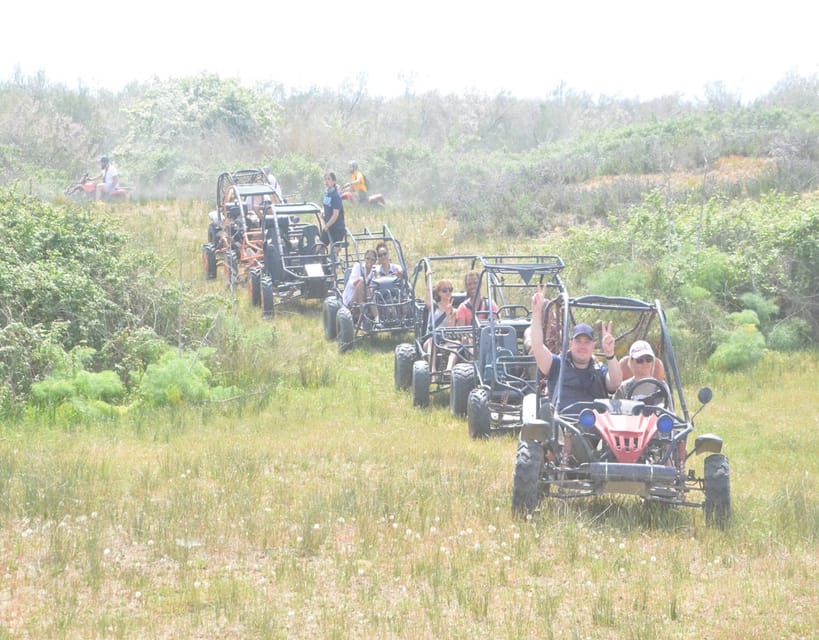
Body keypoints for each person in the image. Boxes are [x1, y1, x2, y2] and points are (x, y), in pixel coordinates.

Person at [529, 284, 622, 411]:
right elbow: (538, 347)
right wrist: (536, 313)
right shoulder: (557, 365)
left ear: (593, 345)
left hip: (596, 425)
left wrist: (610, 354)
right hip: (563, 425)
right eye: (578, 341)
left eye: (587, 342)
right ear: (571, 343)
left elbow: (615, 384)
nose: (582, 346)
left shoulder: (599, 369)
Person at [614, 340, 670, 404]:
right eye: (640, 360)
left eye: (649, 359)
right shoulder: (623, 388)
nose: (645, 363)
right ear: (631, 362)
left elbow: (669, 412)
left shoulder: (662, 387)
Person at [424, 278, 457, 371]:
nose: (448, 292)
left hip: (445, 340)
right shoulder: (433, 306)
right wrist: (428, 277)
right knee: (432, 341)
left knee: (457, 344)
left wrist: (449, 315)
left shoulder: (454, 311)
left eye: (450, 290)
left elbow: (452, 331)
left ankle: (449, 369)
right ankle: (432, 369)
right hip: (431, 340)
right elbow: (428, 296)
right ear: (439, 293)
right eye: (444, 290)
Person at [321, 172, 346, 251]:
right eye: (326, 179)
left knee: (334, 251)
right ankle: (319, 260)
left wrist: (327, 225)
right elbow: (325, 206)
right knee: (319, 246)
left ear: (334, 181)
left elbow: (335, 215)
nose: (326, 181)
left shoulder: (336, 196)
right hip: (329, 227)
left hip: (337, 228)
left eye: (329, 179)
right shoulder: (327, 194)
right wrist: (323, 212)